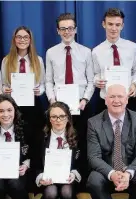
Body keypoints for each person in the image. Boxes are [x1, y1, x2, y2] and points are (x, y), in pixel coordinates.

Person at [45, 13, 95, 183]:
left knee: (79, 144)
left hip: (80, 106)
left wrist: (85, 100)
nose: (67, 32)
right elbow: (48, 81)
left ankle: (78, 179)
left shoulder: (86, 52)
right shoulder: (51, 53)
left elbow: (91, 81)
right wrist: (52, 101)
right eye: (63, 29)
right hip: (58, 109)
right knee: (59, 140)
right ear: (58, 31)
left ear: (76, 30)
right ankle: (58, 175)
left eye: (70, 28)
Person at [32, 102, 84, 199]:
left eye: (61, 116)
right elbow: (35, 162)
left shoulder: (77, 136)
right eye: (54, 117)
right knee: (51, 192)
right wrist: (41, 176)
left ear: (68, 118)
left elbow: (83, 162)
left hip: (69, 178)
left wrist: (74, 174)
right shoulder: (41, 137)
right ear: (49, 119)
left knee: (66, 191)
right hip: (48, 179)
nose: (58, 120)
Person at [92, 8, 136, 115]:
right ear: (104, 24)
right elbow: (95, 74)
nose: (114, 28)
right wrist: (97, 81)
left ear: (122, 26)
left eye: (117, 25)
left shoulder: (132, 47)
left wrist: (134, 84)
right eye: (110, 24)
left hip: (128, 98)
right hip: (105, 100)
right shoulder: (96, 51)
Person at [1, 26, 46, 130]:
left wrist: (40, 91)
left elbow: (43, 84)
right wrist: (5, 90)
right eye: (19, 37)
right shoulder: (6, 61)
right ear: (14, 39)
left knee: (34, 135)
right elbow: (3, 84)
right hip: (13, 104)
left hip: (33, 103)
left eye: (26, 37)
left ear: (30, 40)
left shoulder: (38, 60)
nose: (22, 40)